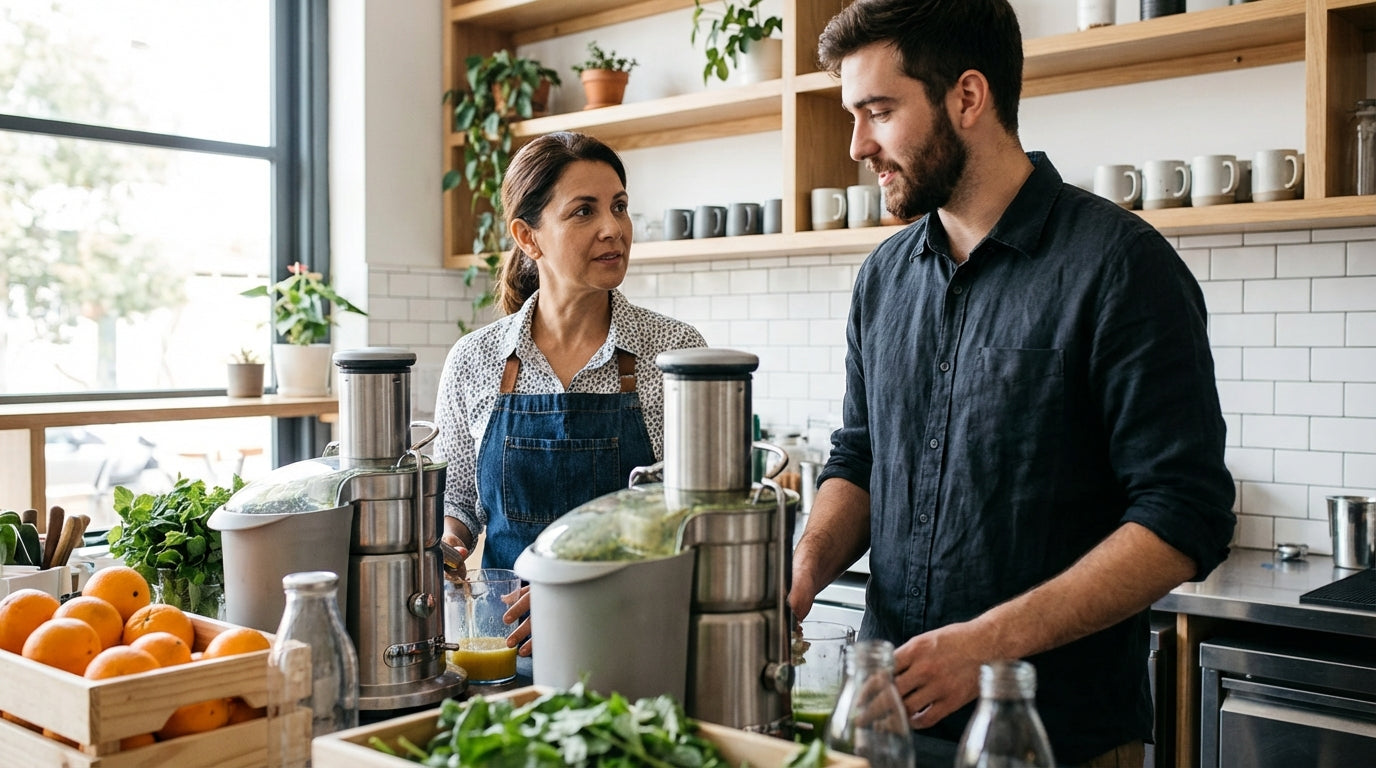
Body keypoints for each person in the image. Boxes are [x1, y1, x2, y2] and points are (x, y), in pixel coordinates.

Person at [788, 1, 1236, 765]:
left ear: (968, 97)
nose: (859, 145)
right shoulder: (883, 279)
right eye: (852, 114)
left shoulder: (1121, 266)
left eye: (879, 111)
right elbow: (860, 458)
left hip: (1059, 737)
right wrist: (797, 579)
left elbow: (1185, 515)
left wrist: (988, 647)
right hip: (891, 725)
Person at [433, 131, 707, 656]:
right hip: (505, 650)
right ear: (528, 237)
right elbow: (459, 502)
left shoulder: (674, 352)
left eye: (619, 207)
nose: (614, 229)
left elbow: (695, 520)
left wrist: (579, 592)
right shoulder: (475, 359)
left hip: (635, 638)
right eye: (584, 211)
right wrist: (445, 548)